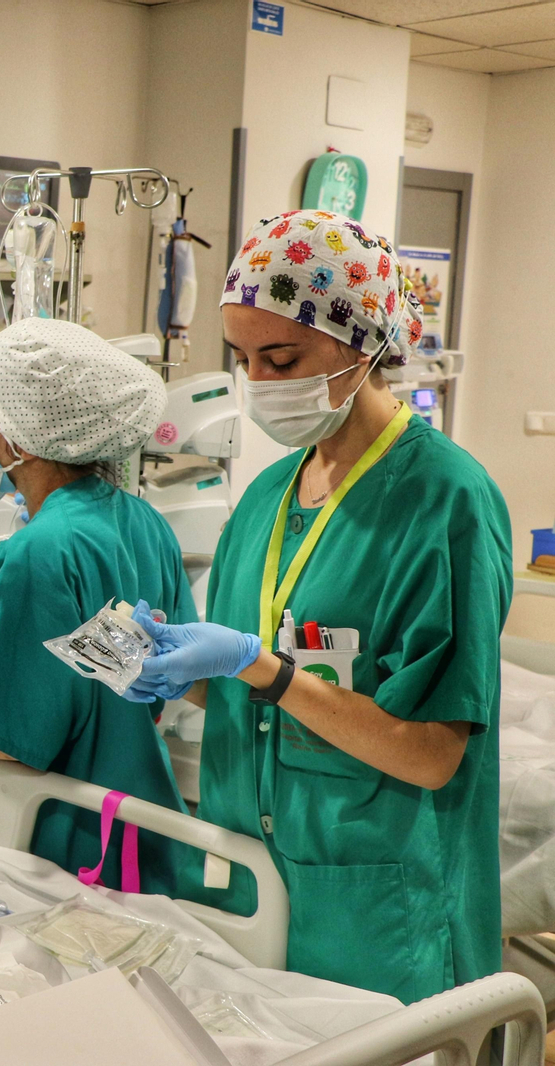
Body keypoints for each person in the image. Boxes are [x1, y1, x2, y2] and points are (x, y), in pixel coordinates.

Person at [127, 210, 511, 1004]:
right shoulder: (267, 497)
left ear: (361, 341)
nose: (261, 384)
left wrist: (257, 667)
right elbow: (250, 685)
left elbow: (432, 753)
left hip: (379, 907)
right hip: (251, 885)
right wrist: (177, 673)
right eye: (243, 360)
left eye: (282, 357)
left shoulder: (446, 501)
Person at [0, 319, 197, 893]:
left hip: (64, 841)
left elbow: (17, 743)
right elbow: (168, 679)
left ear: (17, 439)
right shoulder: (143, 523)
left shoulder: (36, 553)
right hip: (140, 814)